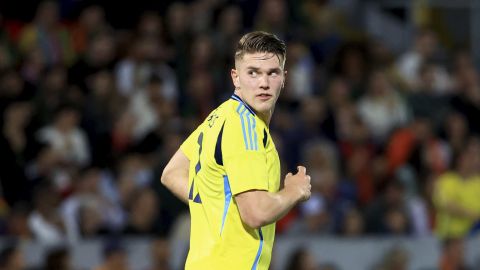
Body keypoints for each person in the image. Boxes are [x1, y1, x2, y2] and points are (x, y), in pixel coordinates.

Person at [161, 31, 311, 270]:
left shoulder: (219, 117)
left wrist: (216, 203)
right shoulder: (246, 127)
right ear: (236, 77)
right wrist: (293, 191)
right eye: (253, 72)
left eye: (272, 73)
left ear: (284, 78)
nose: (264, 83)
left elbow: (172, 173)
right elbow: (255, 213)